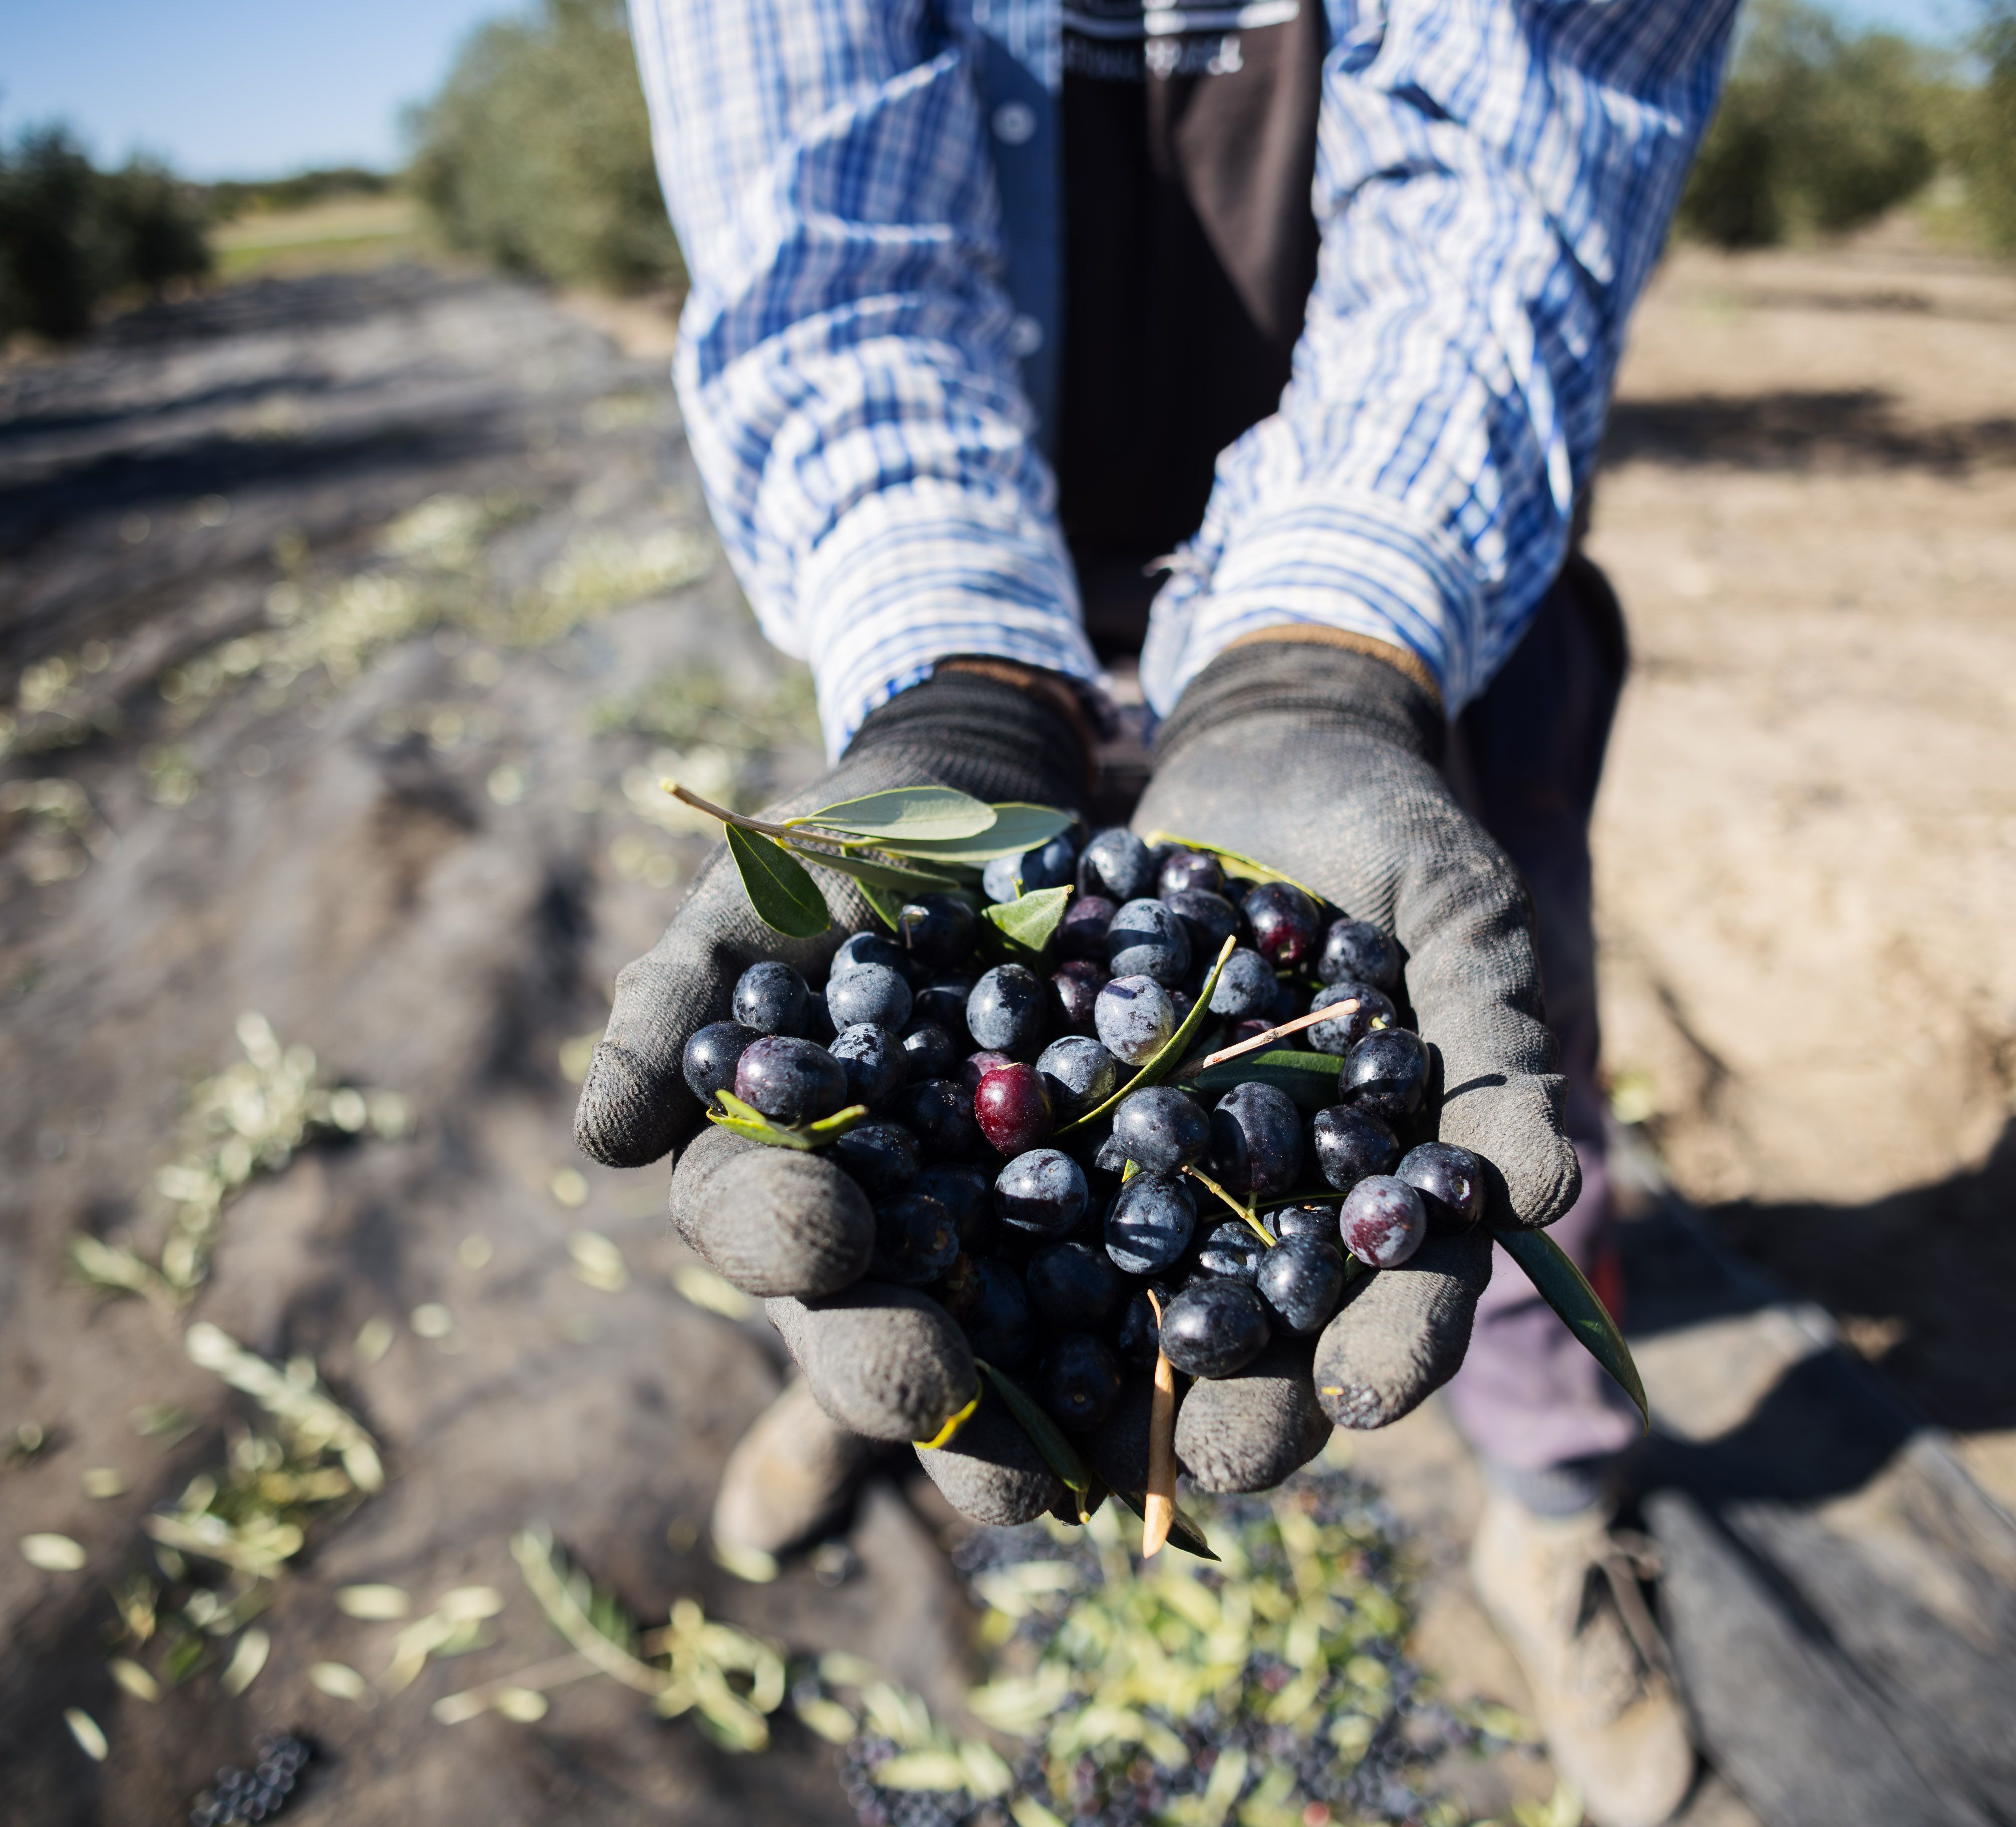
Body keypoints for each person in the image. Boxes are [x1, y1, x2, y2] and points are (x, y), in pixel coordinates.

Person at [574, 3, 1738, 1820]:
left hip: (1403, 615)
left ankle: (1557, 1519)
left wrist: (1316, 660)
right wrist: (962, 684)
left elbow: (1518, 179)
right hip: (972, 609)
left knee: (1496, 1110)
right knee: (846, 1160)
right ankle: (909, 1339)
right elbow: (829, 258)